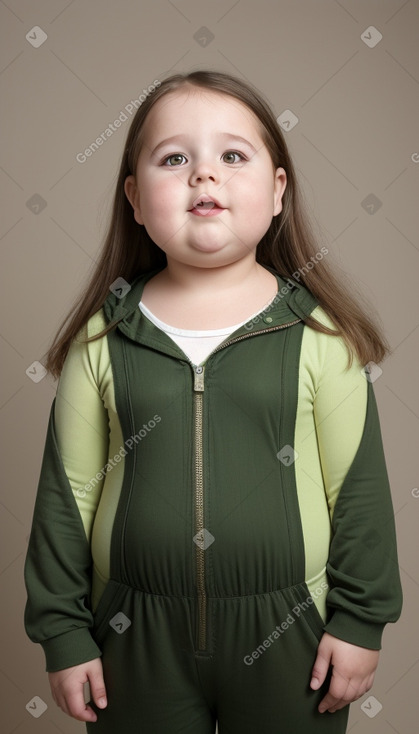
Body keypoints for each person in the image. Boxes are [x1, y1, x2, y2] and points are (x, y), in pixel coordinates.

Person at [23, 69, 403, 734]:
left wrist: (360, 620)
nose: (204, 176)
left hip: (290, 632)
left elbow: (358, 490)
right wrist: (63, 632)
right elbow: (68, 492)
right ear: (136, 200)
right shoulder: (102, 338)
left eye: (232, 156)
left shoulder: (319, 335)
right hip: (132, 633)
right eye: (175, 159)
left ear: (277, 190)